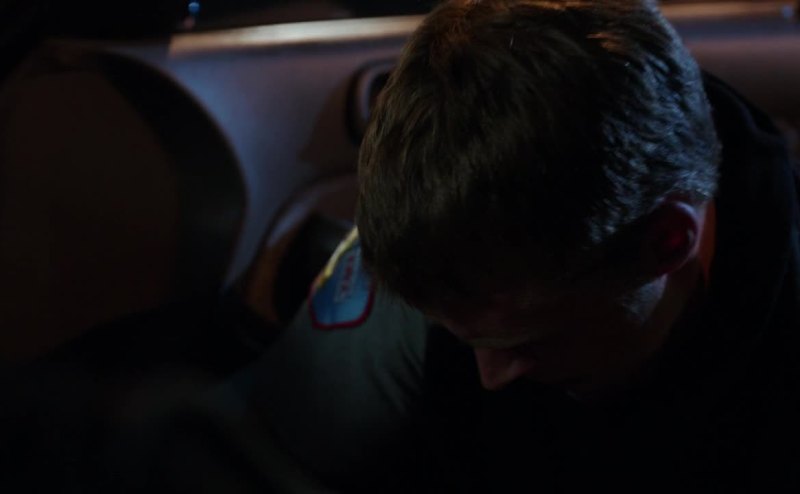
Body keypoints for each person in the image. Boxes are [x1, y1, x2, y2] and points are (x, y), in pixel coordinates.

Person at [123, 1, 800, 492]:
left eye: (526, 341)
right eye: (465, 337)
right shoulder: (441, 275)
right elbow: (250, 459)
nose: (490, 376)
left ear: (667, 242)